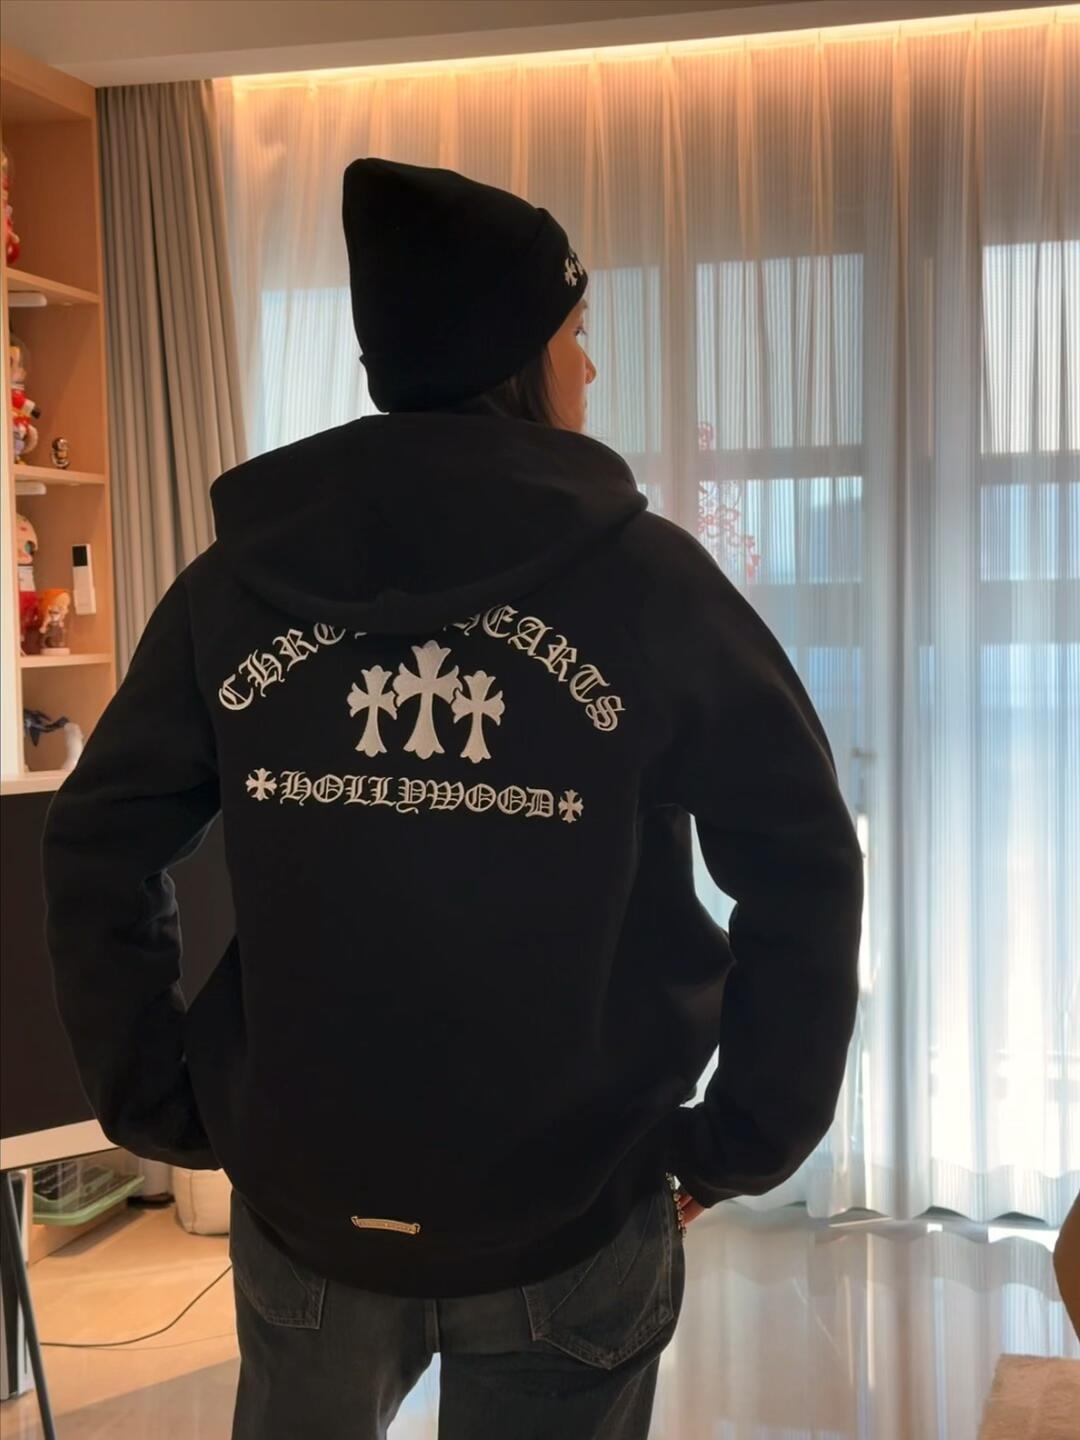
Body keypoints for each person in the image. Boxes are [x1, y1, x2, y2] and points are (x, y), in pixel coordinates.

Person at [41, 157, 865, 1439]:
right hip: (572, 1209)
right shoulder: (649, 585)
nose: (591, 368)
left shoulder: (236, 588)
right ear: (515, 355)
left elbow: (98, 841)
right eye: (576, 333)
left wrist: (157, 1093)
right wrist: (746, 1135)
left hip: (313, 1203)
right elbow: (802, 856)